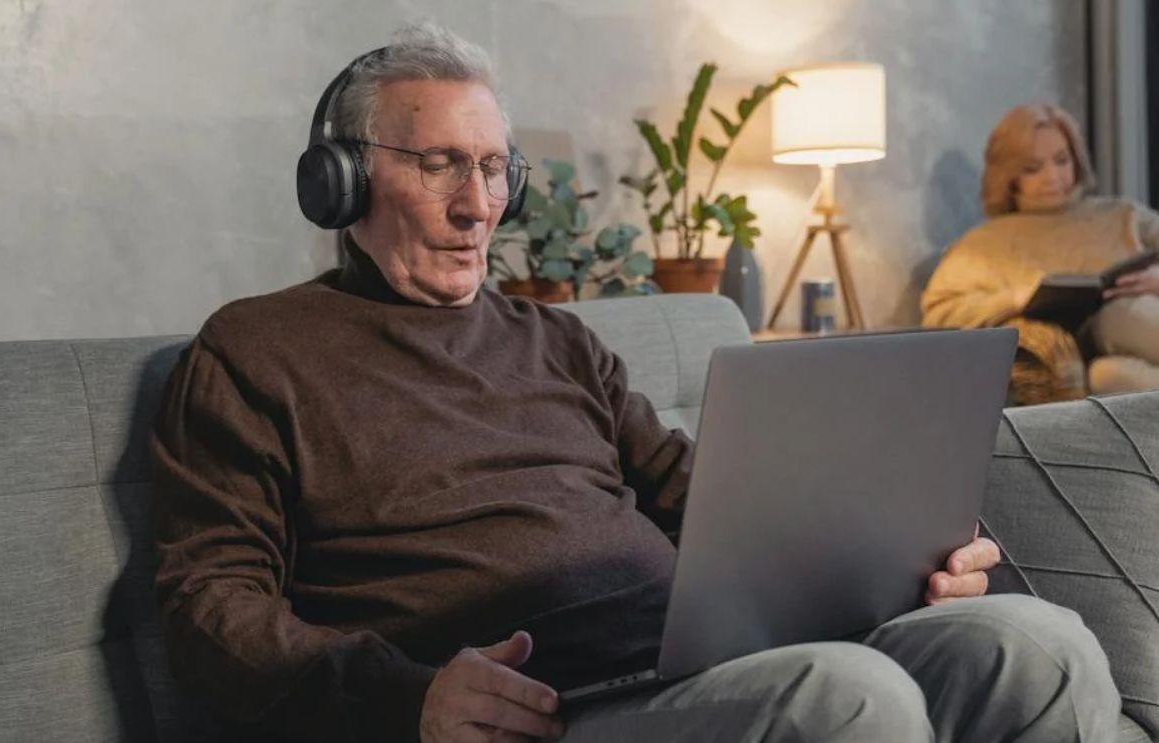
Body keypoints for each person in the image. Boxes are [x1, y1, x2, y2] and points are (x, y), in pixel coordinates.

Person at [152, 25, 1121, 743]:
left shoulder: (559, 339)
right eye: (440, 163)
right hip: (543, 708)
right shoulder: (258, 348)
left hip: (697, 665)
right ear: (341, 181)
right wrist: (408, 693)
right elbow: (209, 599)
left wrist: (888, 560)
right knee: (842, 697)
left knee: (1032, 638)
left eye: (494, 168)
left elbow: (709, 502)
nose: (477, 202)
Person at [922, 102, 1159, 403]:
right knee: (1106, 373)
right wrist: (1014, 299)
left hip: (1135, 327)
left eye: (1062, 160)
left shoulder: (1123, 215)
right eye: (1033, 168)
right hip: (1080, 358)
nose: (1053, 177)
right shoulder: (981, 246)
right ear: (1009, 177)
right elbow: (939, 314)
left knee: (1114, 339)